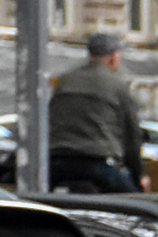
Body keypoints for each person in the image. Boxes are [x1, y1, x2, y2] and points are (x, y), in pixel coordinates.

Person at [48, 31, 143, 193]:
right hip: (97, 164)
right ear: (114, 57)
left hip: (57, 163)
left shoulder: (65, 81)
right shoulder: (118, 85)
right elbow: (132, 137)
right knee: (133, 206)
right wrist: (137, 177)